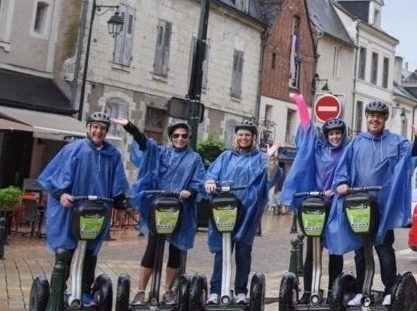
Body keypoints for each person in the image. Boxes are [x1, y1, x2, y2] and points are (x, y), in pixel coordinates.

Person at [327, 100, 417, 306]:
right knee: (360, 250)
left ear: (384, 119)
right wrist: (343, 183)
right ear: (366, 117)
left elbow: (410, 159)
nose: (375, 119)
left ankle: (390, 288)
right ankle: (361, 289)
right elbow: (342, 170)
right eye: (371, 115)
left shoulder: (396, 142)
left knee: (383, 248)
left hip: (383, 206)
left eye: (379, 116)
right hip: (358, 206)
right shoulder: (355, 143)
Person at [38, 111, 130, 308]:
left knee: (90, 253)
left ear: (106, 131)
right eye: (95, 127)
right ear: (88, 128)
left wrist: (121, 206)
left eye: (102, 128)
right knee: (66, 252)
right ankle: (58, 292)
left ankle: (86, 293)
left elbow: (118, 182)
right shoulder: (73, 150)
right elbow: (54, 178)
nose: (98, 131)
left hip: (97, 210)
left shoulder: (112, 155)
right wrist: (61, 194)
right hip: (72, 210)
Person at [115, 117, 205, 305]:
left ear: (189, 137)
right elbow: (145, 144)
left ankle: (168, 291)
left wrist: (191, 191)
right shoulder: (161, 152)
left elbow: (199, 181)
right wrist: (130, 127)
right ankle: (141, 291)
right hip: (158, 207)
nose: (180, 139)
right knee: (152, 248)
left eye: (184, 136)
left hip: (181, 209)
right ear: (171, 137)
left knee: (175, 251)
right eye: (176, 135)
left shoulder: (194, 158)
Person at [278, 92, 350, 295]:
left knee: (335, 250)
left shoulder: (348, 151)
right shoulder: (318, 149)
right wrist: (301, 103)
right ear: (326, 136)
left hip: (336, 205)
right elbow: (308, 129)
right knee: (313, 248)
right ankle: (309, 292)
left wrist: (338, 188)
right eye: (331, 134)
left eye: (338, 133)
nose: (335, 136)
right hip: (316, 204)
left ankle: (333, 292)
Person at [202, 119, 279, 304]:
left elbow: (271, 177)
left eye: (247, 135)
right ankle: (216, 290)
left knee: (243, 251)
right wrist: (210, 182)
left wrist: (272, 159)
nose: (244, 138)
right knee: (222, 251)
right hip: (224, 209)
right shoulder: (225, 157)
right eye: (241, 135)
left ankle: (240, 291)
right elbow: (211, 174)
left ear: (253, 138)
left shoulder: (260, 158)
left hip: (248, 212)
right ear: (236, 137)